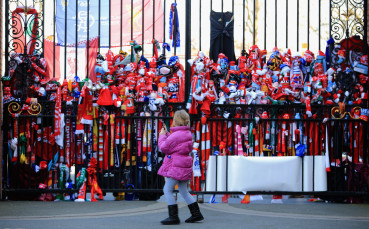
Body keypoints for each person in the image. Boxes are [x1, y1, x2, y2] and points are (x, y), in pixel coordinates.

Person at [158, 110, 204, 225]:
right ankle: (196, 213)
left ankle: (173, 216)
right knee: (184, 191)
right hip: (184, 166)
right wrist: (168, 135)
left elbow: (163, 148)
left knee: (167, 190)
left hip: (175, 166)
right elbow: (176, 144)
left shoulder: (177, 135)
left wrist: (162, 136)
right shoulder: (187, 133)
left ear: (176, 121)